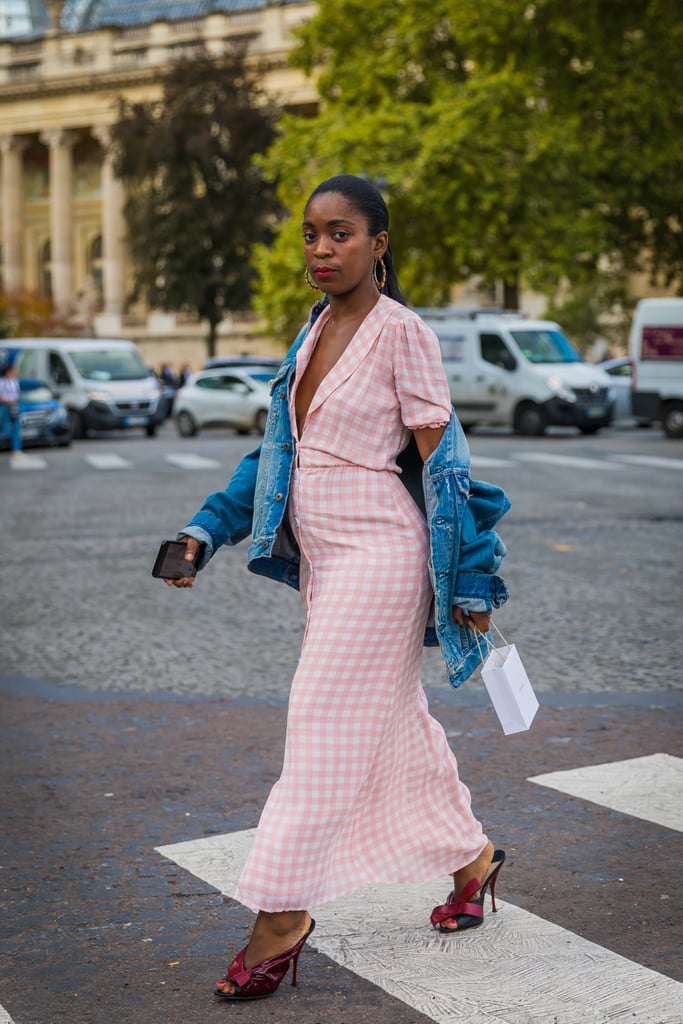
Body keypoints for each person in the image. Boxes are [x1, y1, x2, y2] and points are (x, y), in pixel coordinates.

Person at [164, 174, 510, 1002]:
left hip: (381, 558)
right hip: (325, 564)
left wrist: (469, 578)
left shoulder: (403, 334)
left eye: (341, 234)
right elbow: (273, 458)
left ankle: (282, 915)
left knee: (317, 722)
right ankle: (473, 862)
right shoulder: (310, 333)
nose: (322, 249)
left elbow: (447, 468)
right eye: (312, 235)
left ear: (378, 244)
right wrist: (205, 530)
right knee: (395, 727)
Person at [0, 360, 25, 464]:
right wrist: (7, 400)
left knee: (16, 428)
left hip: (14, 406)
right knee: (3, 428)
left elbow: (17, 393)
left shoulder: (15, 381)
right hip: (5, 406)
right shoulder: (2, 382)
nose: (16, 371)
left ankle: (16, 450)